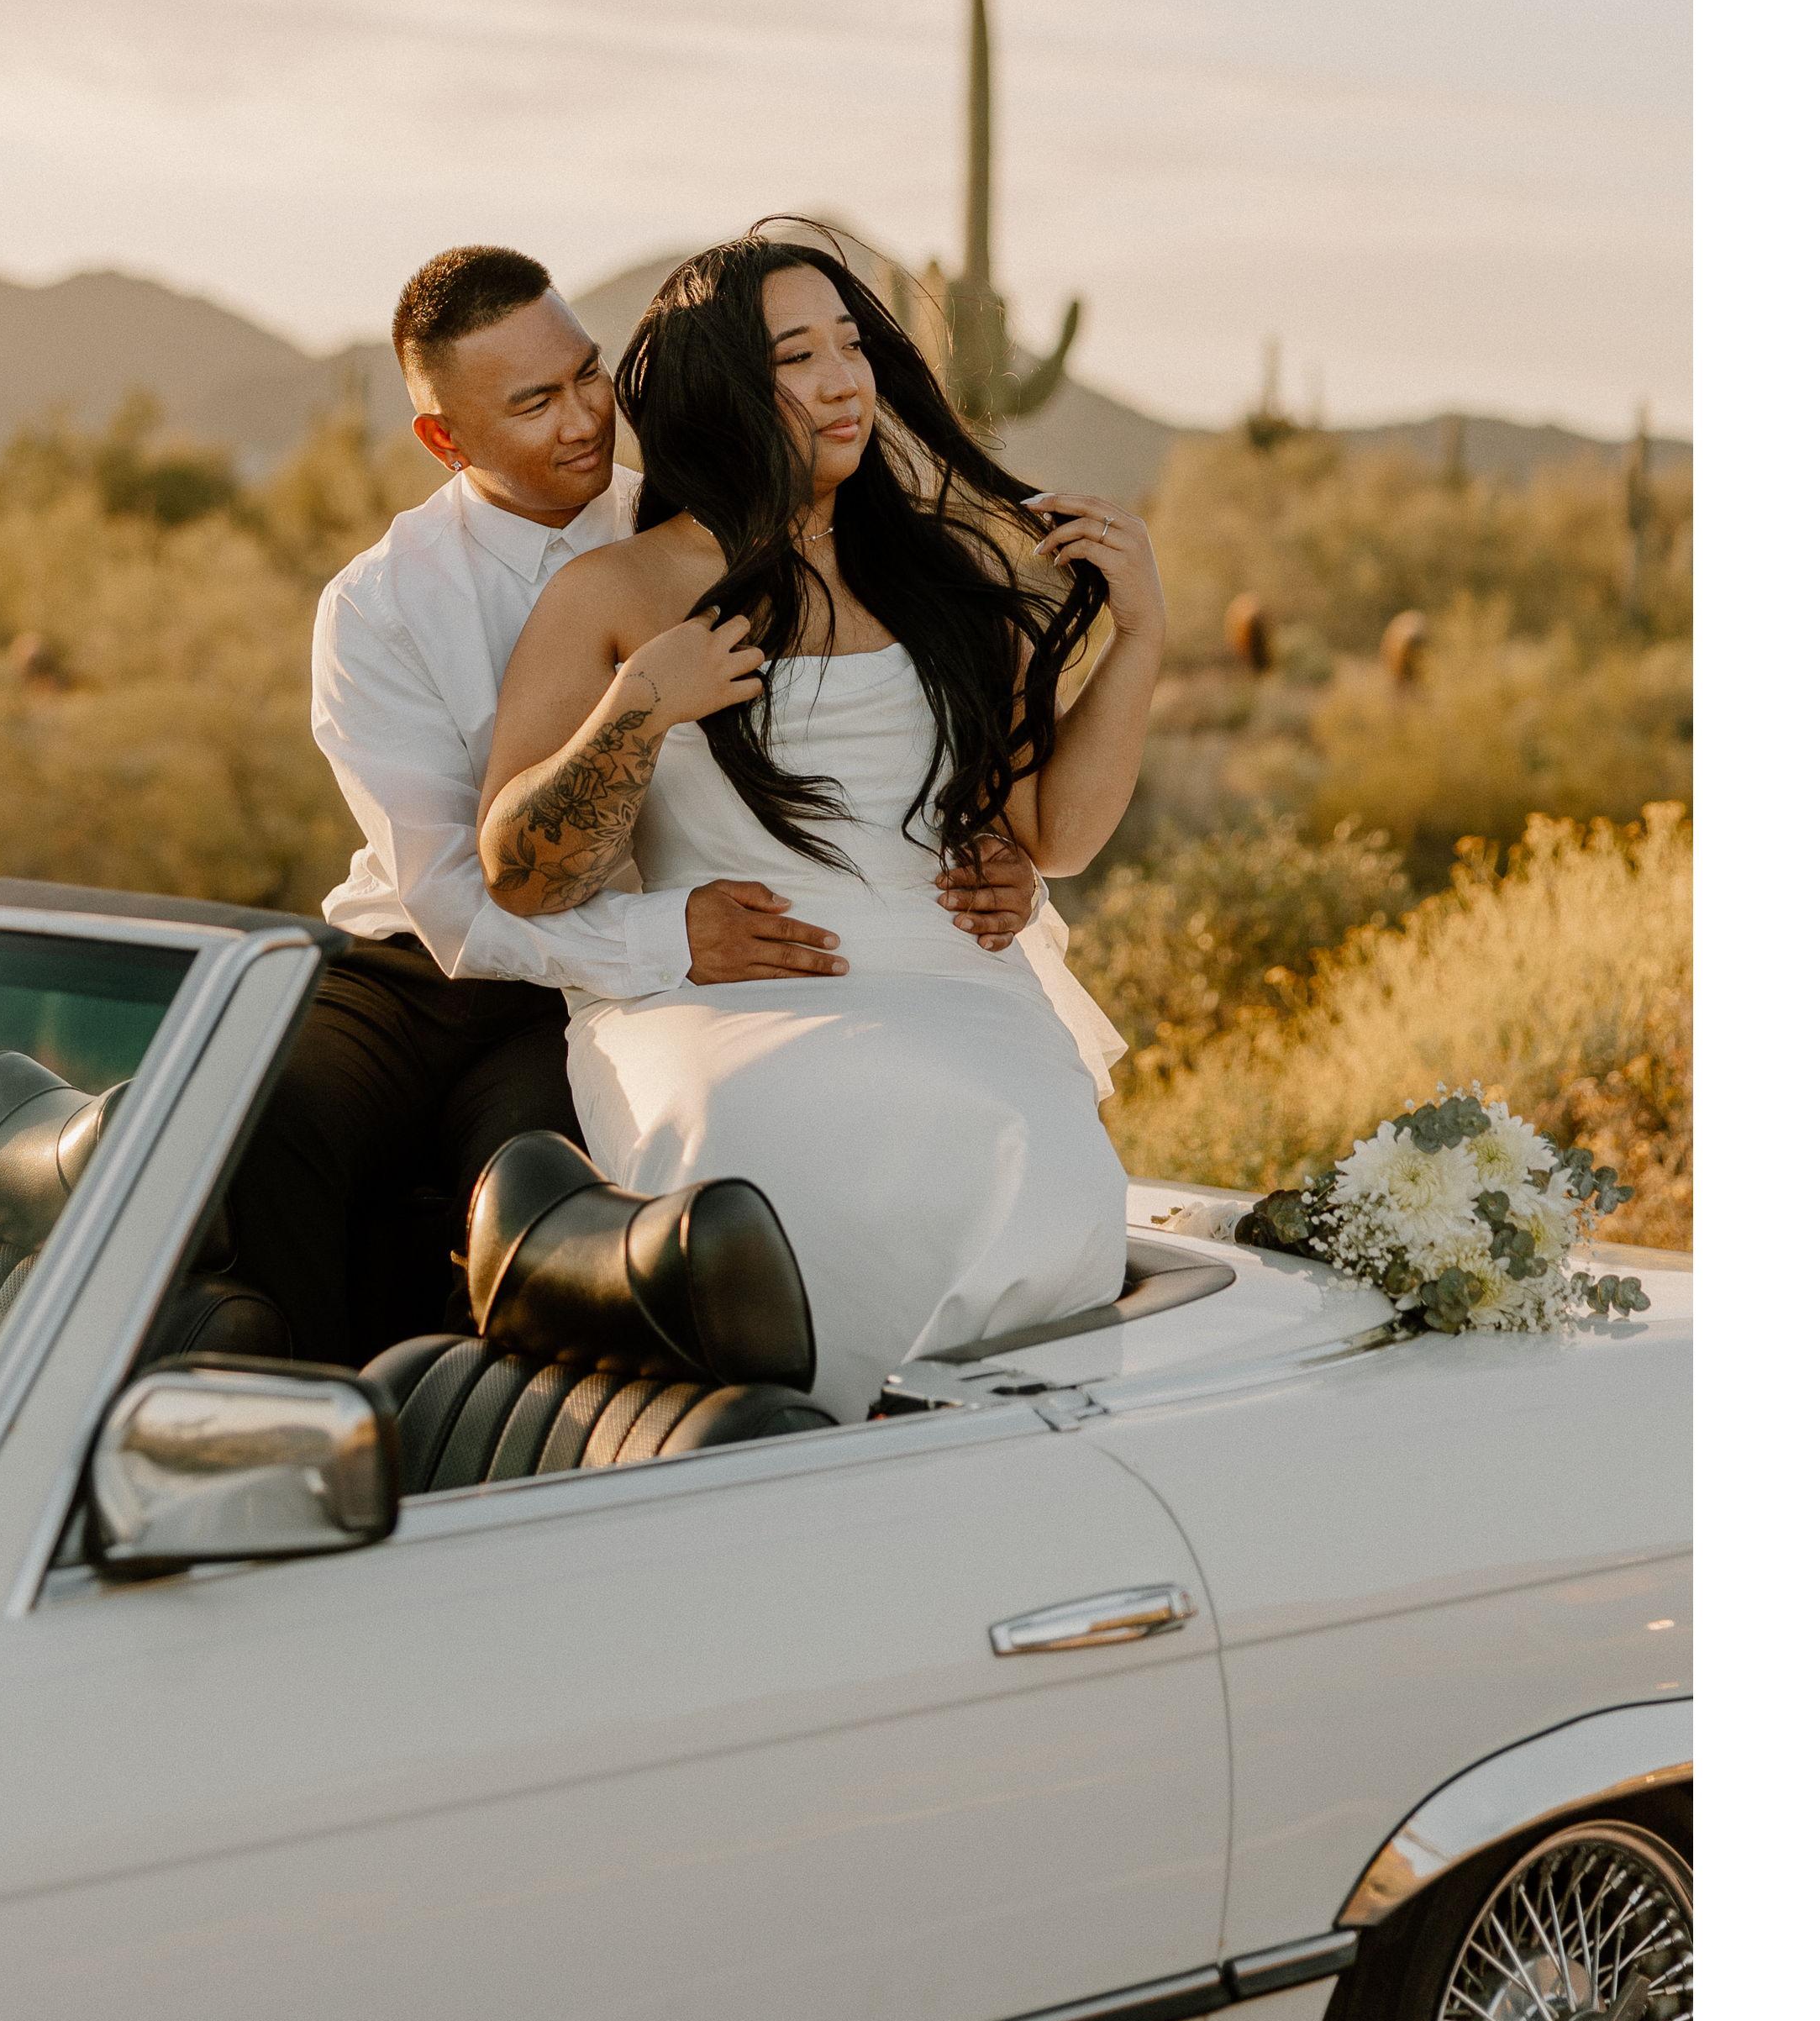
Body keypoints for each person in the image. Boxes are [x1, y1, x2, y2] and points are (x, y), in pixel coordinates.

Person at [217, 242, 1052, 1364]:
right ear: (444, 440)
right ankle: (295, 1416)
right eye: (533, 404)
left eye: (587, 376)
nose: (582, 421)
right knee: (264, 1115)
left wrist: (992, 848)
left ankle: (503, 1428)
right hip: (422, 962)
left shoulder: (702, 525)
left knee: (544, 1194)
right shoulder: (379, 605)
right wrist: (669, 938)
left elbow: (865, 722)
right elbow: (455, 899)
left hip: (611, 982)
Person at [476, 230, 1164, 1423]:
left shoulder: (942, 580)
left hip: (956, 982)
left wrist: (1140, 636)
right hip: (724, 999)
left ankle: (994, 1453)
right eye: (797, 356)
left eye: (853, 346)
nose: (845, 381)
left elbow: (1054, 835)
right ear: (720, 390)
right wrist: (639, 709)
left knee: (1026, 1136)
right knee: (790, 1140)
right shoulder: (615, 593)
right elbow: (520, 874)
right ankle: (804, 1449)